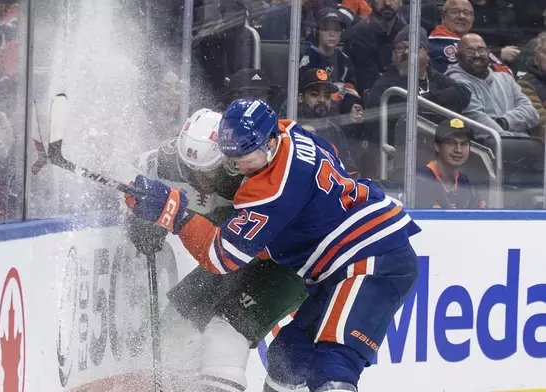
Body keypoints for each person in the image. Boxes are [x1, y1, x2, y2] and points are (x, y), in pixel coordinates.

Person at [124, 98, 421, 392]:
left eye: (225, 165)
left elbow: (219, 256)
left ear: (268, 143)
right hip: (317, 260)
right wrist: (138, 210)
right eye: (228, 158)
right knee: (287, 358)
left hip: (364, 256)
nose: (232, 167)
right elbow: (134, 172)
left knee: (329, 366)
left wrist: (171, 214)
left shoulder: (270, 189)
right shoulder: (286, 131)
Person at [127, 108, 308, 392]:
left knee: (226, 332)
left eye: (211, 170)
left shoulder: (257, 172)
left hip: (282, 260)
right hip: (228, 254)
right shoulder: (164, 159)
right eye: (192, 170)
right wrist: (139, 218)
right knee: (176, 322)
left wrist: (170, 217)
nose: (202, 180)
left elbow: (225, 246)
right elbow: (131, 184)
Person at [416, 118, 486, 209]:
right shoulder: (420, 180)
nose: (458, 150)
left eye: (464, 144)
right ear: (437, 146)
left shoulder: (467, 183)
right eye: (451, 143)